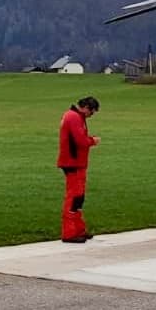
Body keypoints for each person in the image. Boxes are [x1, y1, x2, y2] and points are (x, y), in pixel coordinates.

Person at [56, 96, 100, 243]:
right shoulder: (74, 117)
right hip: (72, 163)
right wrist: (93, 141)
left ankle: (78, 229)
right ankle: (69, 233)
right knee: (73, 197)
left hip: (77, 163)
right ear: (86, 107)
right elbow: (80, 141)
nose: (91, 115)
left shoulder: (75, 116)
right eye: (92, 112)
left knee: (79, 197)